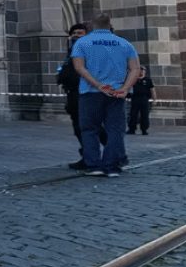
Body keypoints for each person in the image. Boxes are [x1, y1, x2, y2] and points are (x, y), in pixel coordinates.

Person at [71, 14, 140, 178]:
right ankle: (112, 166)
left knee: (90, 129)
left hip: (90, 93)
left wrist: (98, 85)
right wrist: (125, 88)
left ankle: (94, 166)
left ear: (92, 25)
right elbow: (135, 69)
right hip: (116, 93)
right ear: (110, 25)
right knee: (115, 130)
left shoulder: (82, 42)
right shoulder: (124, 43)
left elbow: (79, 67)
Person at [58, 23, 108, 170]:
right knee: (79, 127)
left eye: (80, 33)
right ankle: (88, 157)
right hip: (73, 94)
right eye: (73, 33)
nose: (76, 35)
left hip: (87, 94)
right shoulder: (72, 52)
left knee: (92, 126)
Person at [127, 66, 155, 135]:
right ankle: (132, 129)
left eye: (143, 70)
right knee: (133, 114)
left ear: (145, 71)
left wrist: (154, 99)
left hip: (144, 99)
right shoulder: (133, 79)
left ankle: (144, 129)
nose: (142, 71)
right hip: (135, 98)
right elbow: (128, 88)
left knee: (144, 115)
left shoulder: (148, 80)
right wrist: (127, 96)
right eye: (140, 70)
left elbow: (152, 90)